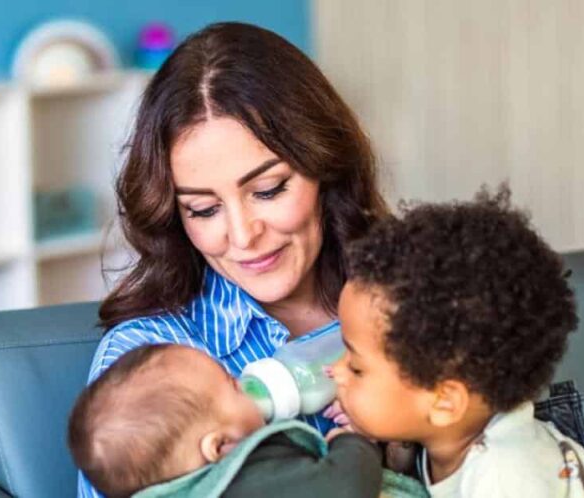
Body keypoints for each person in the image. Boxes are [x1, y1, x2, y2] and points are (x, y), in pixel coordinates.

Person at [80, 20, 389, 498]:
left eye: (268, 189)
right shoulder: (150, 361)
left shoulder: (402, 295)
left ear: (326, 167)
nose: (243, 236)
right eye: (203, 209)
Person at [327, 188, 584, 497]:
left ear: (445, 402)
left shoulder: (505, 479)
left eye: (356, 367)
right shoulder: (451, 433)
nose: (335, 370)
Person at [67, 344, 394, 498]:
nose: (242, 382)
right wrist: (353, 442)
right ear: (220, 446)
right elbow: (347, 486)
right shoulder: (249, 481)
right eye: (232, 385)